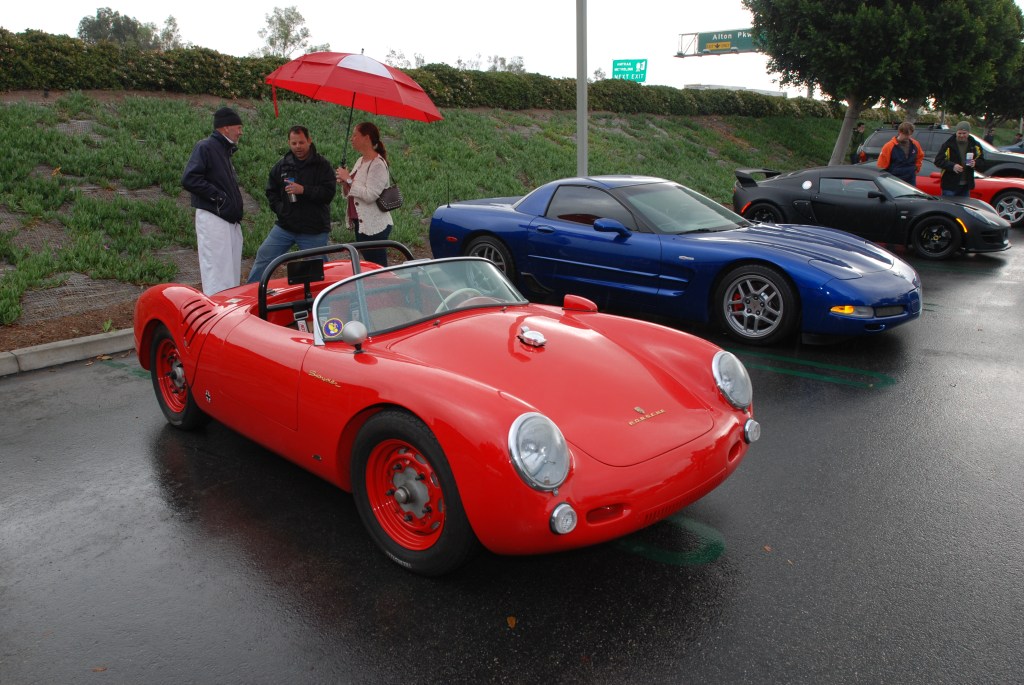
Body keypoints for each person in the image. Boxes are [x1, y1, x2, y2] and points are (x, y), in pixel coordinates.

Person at [246, 126, 337, 284]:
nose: (298, 147)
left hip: (313, 229)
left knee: (318, 269)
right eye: (294, 143)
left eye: (301, 142)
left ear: (309, 141)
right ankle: (250, 294)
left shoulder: (322, 165)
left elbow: (328, 194)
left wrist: (304, 190)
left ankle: (323, 301)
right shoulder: (282, 165)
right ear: (288, 142)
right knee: (264, 255)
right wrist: (281, 209)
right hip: (286, 226)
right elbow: (271, 191)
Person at [182, 106, 245, 295]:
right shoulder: (206, 146)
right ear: (225, 127)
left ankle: (228, 313)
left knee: (231, 274)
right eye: (238, 127)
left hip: (227, 219)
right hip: (214, 219)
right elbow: (189, 179)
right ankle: (218, 315)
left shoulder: (223, 150)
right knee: (218, 273)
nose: (241, 132)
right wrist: (219, 198)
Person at [335, 122, 395, 267]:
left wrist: (348, 179)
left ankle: (386, 289)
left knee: (377, 269)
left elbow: (370, 195)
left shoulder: (378, 164)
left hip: (374, 227)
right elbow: (352, 192)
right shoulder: (360, 160)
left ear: (366, 138)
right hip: (361, 224)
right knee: (368, 267)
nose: (352, 138)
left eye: (355, 135)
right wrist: (345, 183)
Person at [934, 121, 983, 198]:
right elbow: (938, 161)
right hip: (949, 185)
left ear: (968, 133)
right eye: (959, 133)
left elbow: (982, 161)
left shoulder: (975, 145)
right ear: (956, 132)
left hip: (966, 185)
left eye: (964, 133)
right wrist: (952, 166)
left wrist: (975, 163)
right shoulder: (948, 145)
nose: (961, 135)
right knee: (949, 208)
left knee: (964, 209)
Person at [876, 121, 925, 186]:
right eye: (906, 135)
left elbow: (920, 157)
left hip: (911, 178)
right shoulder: (889, 146)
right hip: (895, 178)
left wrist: (916, 168)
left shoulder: (915, 144)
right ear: (900, 132)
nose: (908, 137)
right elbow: (881, 165)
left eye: (910, 135)